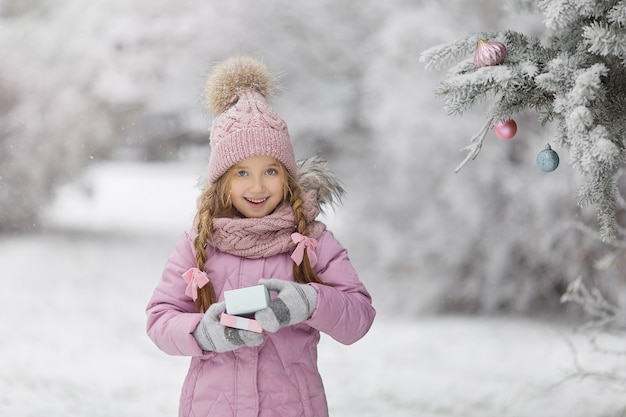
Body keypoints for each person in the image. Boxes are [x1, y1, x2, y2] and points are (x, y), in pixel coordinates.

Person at [146, 55, 376, 417]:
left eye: (270, 170)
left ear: (286, 176)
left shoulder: (311, 240)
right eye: (241, 173)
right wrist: (203, 333)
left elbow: (359, 318)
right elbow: (160, 319)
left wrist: (310, 300)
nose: (257, 186)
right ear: (221, 182)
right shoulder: (198, 242)